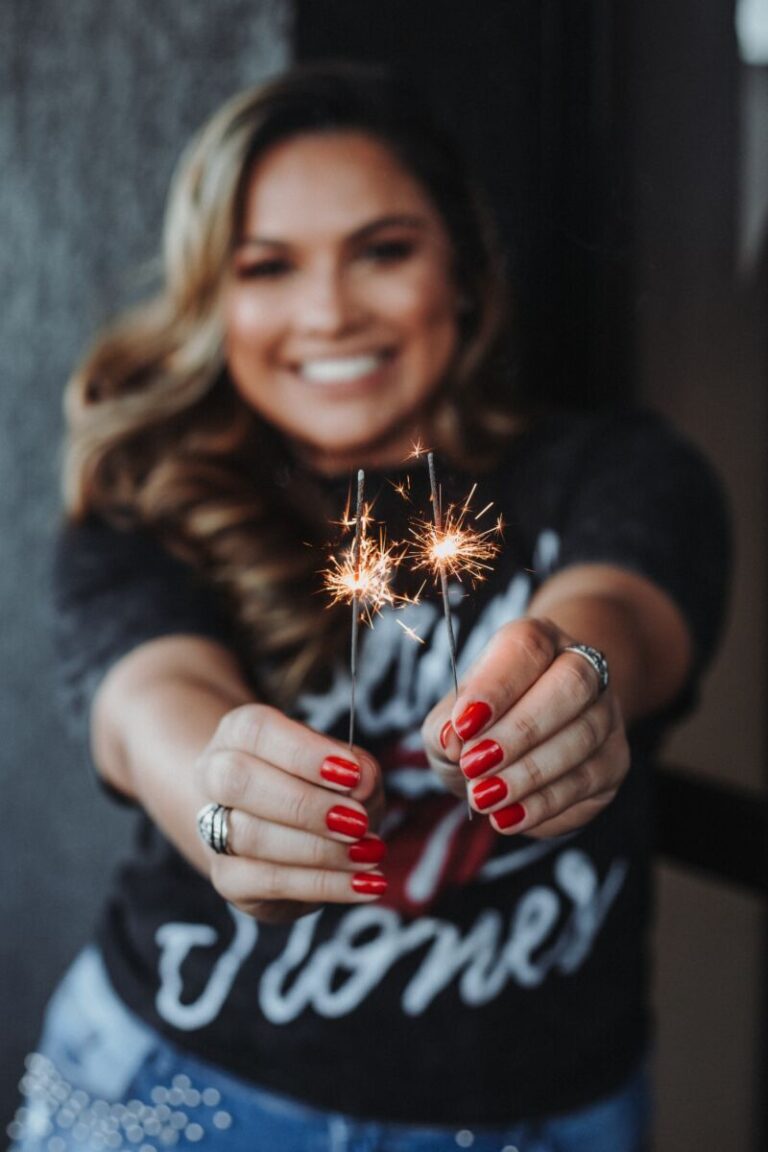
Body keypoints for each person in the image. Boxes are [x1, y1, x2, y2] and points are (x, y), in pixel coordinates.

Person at [11, 62, 729, 1152]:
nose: (330, 310)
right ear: (212, 298)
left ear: (466, 272)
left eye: (383, 251)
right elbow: (149, 701)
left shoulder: (617, 474)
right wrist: (223, 801)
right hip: (182, 1094)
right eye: (267, 267)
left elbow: (621, 613)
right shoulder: (147, 508)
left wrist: (577, 680)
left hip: (542, 1119)